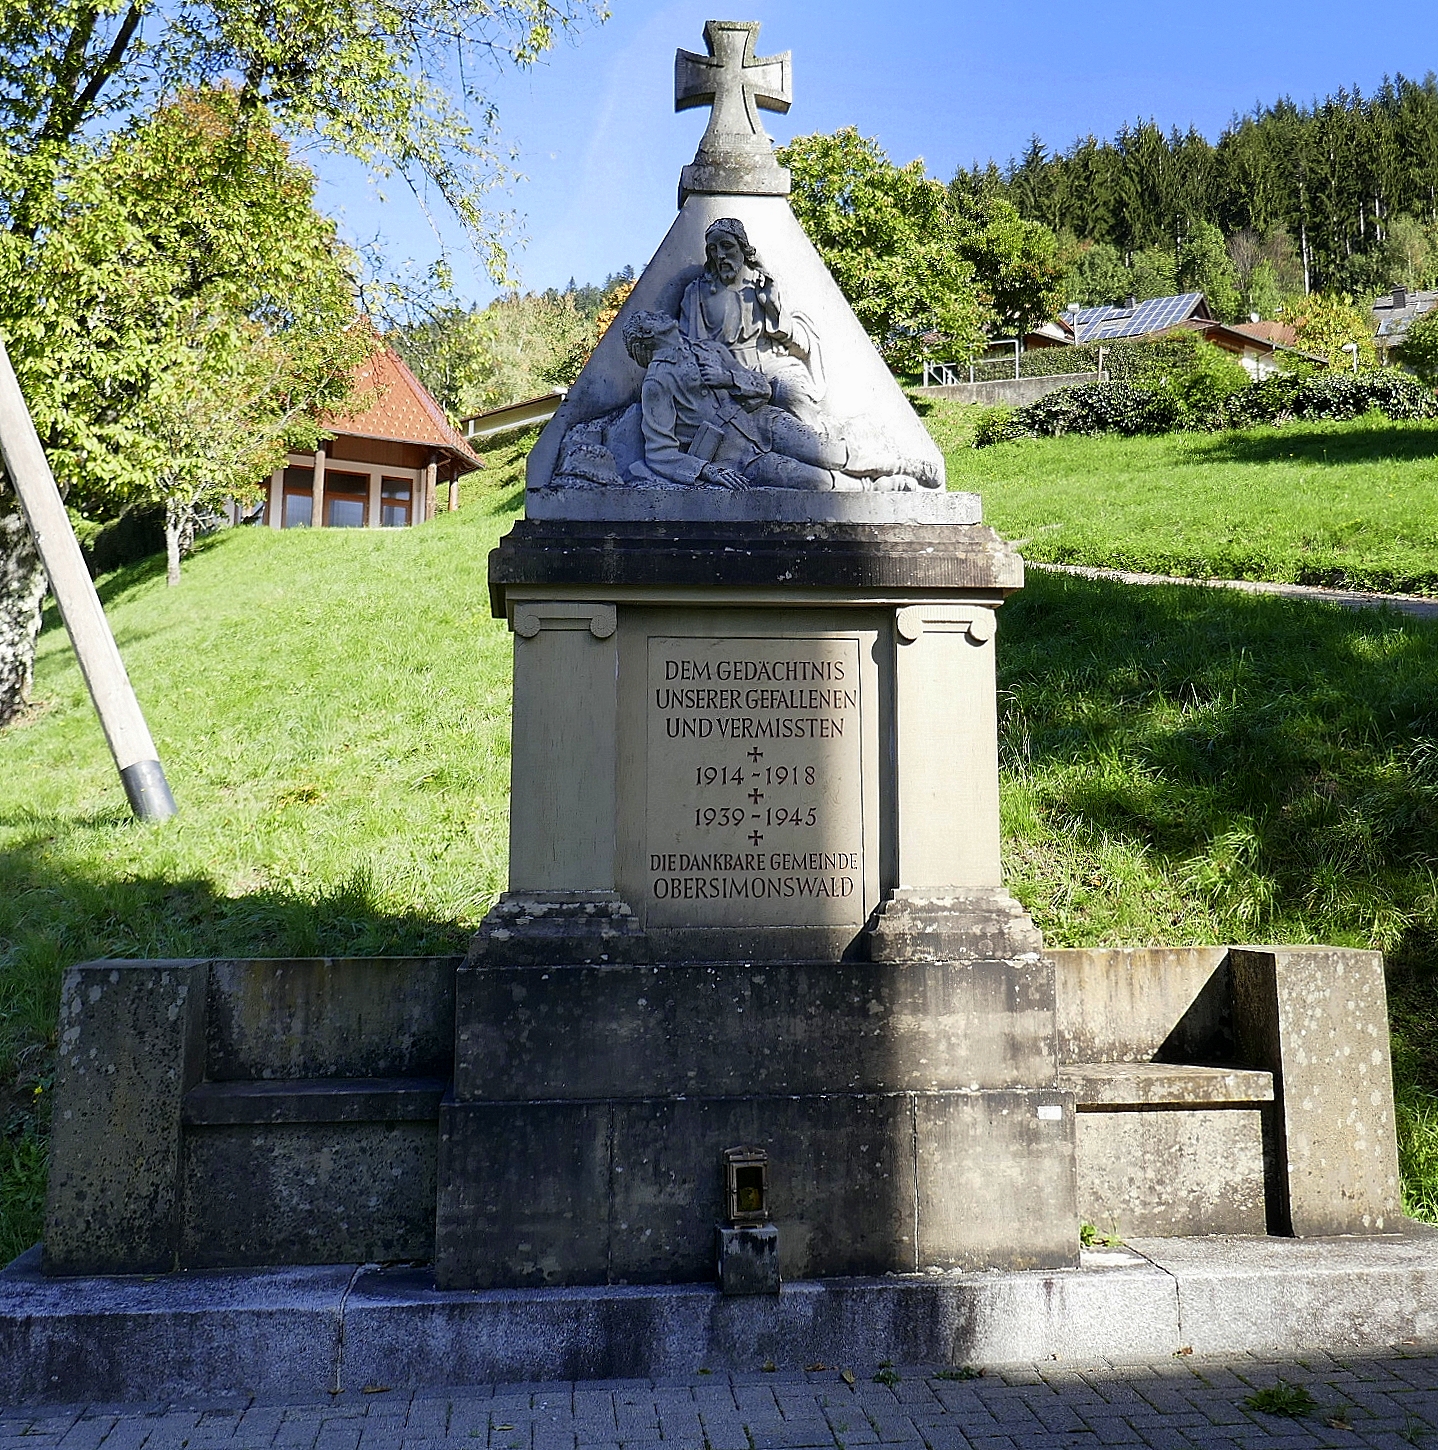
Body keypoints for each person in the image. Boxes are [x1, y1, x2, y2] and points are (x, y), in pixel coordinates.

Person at [621, 310, 917, 492]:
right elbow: (659, 453)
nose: (660, 315)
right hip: (736, 456)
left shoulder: (708, 349)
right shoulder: (657, 382)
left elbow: (762, 389)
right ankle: (875, 489)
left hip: (763, 421)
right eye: (651, 318)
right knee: (815, 482)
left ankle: (903, 465)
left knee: (831, 453)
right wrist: (707, 470)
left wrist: (729, 379)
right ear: (647, 333)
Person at [678, 217, 824, 429]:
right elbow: (684, 344)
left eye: (727, 246)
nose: (720, 255)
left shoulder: (763, 283)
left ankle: (821, 445)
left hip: (770, 365)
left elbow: (800, 345)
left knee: (790, 392)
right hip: (721, 370)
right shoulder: (696, 293)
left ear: (742, 247)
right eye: (713, 249)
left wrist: (772, 306)